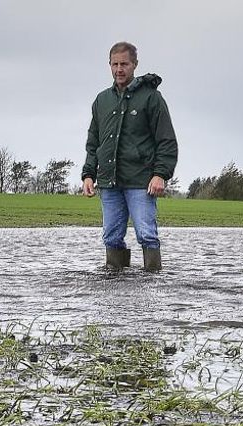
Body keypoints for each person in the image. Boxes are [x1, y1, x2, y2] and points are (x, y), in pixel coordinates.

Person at [82, 41, 178, 271]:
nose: (119, 69)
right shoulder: (102, 100)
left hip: (140, 181)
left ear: (135, 64)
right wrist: (88, 174)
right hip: (109, 181)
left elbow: (167, 141)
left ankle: (152, 288)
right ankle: (116, 286)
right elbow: (94, 141)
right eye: (114, 64)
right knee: (111, 236)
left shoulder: (152, 98)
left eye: (124, 64)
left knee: (147, 234)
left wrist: (160, 174)